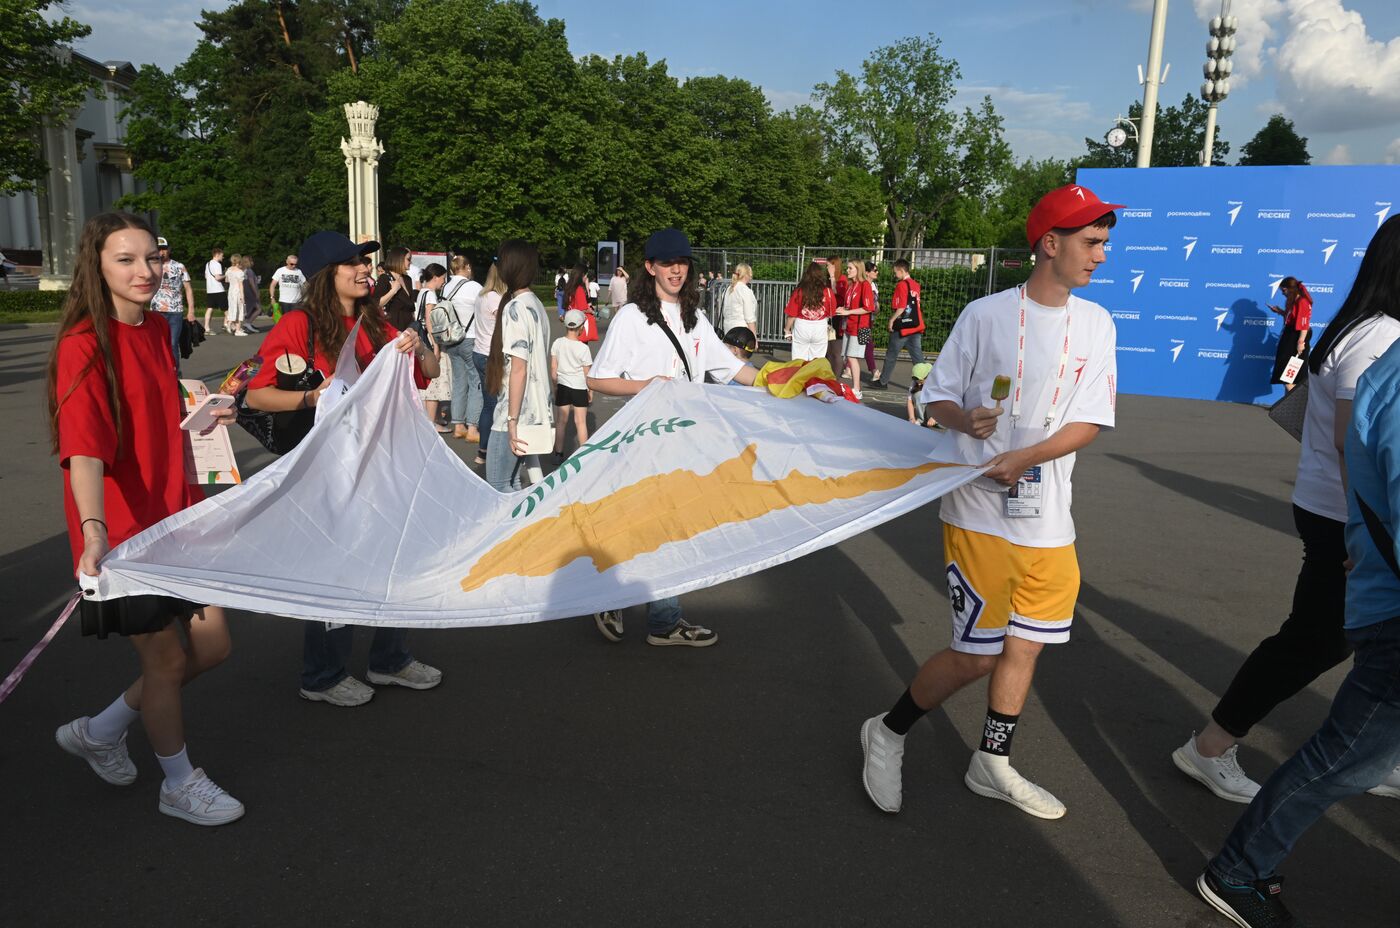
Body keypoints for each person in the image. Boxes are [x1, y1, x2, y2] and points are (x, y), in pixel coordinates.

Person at [858, 183, 1120, 819]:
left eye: (1104, 244)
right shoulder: (985, 315)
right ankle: (886, 733)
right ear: (1049, 244)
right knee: (977, 653)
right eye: (1091, 243)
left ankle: (991, 760)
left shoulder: (1097, 322)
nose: (1100, 256)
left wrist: (1026, 459)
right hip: (978, 513)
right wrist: (964, 418)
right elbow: (940, 396)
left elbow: (1090, 420)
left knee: (1025, 647)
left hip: (1050, 520)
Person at [1173, 215, 1400, 806]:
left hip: (1346, 517)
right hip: (1349, 521)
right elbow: (1357, 445)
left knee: (1357, 641)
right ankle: (1209, 747)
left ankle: (1372, 753)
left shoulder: (1366, 327)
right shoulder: (1378, 336)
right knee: (1317, 642)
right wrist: (1364, 538)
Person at [1195, 339, 1400, 928]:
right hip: (1385, 602)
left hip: (1370, 578)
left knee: (1346, 745)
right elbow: (1349, 451)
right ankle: (1236, 866)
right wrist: (1362, 541)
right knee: (1342, 752)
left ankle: (1236, 854)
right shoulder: (1377, 353)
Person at [49, 212, 243, 826]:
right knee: (164, 661)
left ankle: (101, 730)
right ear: (97, 265)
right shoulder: (84, 342)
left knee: (210, 648)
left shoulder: (159, 328)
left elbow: (161, 411)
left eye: (152, 258)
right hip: (123, 532)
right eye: (125, 260)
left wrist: (209, 415)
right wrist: (94, 531)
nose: (145, 271)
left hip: (178, 516)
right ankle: (179, 783)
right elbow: (82, 450)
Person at [243, 230, 442, 707]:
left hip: (384, 464)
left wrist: (418, 344)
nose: (364, 269)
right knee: (336, 567)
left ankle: (389, 659)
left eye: (364, 261)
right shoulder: (298, 325)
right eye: (351, 263)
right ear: (324, 276)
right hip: (329, 469)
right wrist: (314, 395)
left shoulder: (378, 323)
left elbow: (430, 374)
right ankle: (323, 674)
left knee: (394, 556)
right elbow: (254, 392)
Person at [586, 227, 760, 647]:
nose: (676, 269)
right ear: (650, 267)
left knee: (667, 527)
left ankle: (658, 617)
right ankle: (611, 595)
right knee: (643, 521)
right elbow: (598, 378)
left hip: (683, 443)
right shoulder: (631, 317)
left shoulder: (694, 317)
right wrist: (648, 385)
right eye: (667, 263)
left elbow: (733, 370)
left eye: (681, 262)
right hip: (642, 440)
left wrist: (786, 382)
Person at [484, 240, 552, 492]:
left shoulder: (515, 307)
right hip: (534, 408)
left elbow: (519, 368)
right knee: (512, 483)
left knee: (498, 485)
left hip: (514, 413)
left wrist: (511, 421)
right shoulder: (535, 304)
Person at [442, 255, 483, 444]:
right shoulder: (474, 287)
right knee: (476, 382)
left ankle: (458, 424)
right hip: (470, 337)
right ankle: (473, 427)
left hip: (451, 339)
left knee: (459, 381)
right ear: (466, 267)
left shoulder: (446, 287)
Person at [472, 263, 506, 467]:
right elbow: (504, 324)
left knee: (488, 404)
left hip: (479, 350)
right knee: (496, 405)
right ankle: (490, 451)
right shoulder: (496, 298)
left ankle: (483, 451)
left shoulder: (482, 295)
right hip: (491, 355)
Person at [875, 259, 926, 388]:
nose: (894, 275)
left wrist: (892, 320)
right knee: (918, 358)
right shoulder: (915, 284)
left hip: (903, 326)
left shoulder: (901, 285)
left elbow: (902, 306)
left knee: (891, 355)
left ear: (901, 270)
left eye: (895, 272)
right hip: (915, 324)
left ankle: (883, 382)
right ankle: (925, 383)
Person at [550, 309, 593, 457]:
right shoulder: (583, 348)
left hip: (562, 385)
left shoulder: (557, 343)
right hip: (580, 387)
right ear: (581, 327)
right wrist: (590, 390)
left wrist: (555, 387)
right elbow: (587, 373)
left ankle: (558, 453)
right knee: (580, 422)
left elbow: (553, 370)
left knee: (561, 422)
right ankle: (584, 455)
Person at [415, 263, 452, 433]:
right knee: (435, 381)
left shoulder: (421, 292)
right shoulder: (430, 295)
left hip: (420, 341)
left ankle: (426, 420)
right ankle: (431, 422)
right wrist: (436, 345)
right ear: (436, 277)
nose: (443, 282)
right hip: (430, 341)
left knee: (425, 381)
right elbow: (430, 321)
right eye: (443, 278)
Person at [151, 237, 195, 374]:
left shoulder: (179, 266)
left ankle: (174, 373)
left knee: (173, 344)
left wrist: (191, 311)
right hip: (156, 311)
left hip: (175, 310)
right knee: (156, 344)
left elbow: (188, 288)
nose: (161, 252)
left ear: (169, 250)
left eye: (164, 249)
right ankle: (159, 372)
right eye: (158, 249)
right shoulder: (150, 266)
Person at [835, 259, 874, 399]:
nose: (848, 270)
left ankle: (857, 389)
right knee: (847, 357)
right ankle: (855, 387)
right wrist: (844, 309)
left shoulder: (865, 286)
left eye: (850, 268)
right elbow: (851, 307)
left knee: (852, 357)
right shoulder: (852, 286)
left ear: (858, 269)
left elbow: (868, 308)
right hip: (849, 326)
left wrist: (848, 312)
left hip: (859, 327)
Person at [783, 262, 837, 363]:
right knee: (817, 361)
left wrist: (787, 330)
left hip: (802, 326)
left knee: (798, 360)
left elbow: (792, 315)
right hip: (820, 326)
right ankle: (814, 378)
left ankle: (799, 377)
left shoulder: (799, 291)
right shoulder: (828, 291)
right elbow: (831, 313)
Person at [1269, 276, 1312, 391]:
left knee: (1289, 377)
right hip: (1290, 335)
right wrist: (1280, 312)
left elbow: (1304, 324)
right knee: (1287, 376)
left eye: (1284, 290)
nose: (1282, 293)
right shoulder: (1293, 301)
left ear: (1291, 289)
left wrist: (1301, 342)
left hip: (1296, 337)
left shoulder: (1302, 301)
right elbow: (1292, 318)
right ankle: (1288, 404)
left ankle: (1294, 405)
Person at [375, 246, 417, 332]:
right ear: (399, 259)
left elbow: (410, 305)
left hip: (409, 327)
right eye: (408, 259)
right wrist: (393, 291)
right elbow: (376, 303)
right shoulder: (385, 278)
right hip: (393, 328)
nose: (410, 262)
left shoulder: (407, 279)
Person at [721, 263, 758, 337]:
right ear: (747, 274)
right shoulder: (745, 290)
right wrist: (754, 337)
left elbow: (724, 311)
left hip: (727, 329)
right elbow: (749, 317)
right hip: (742, 331)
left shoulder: (727, 289)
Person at [566, 264, 598, 344]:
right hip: (579, 324)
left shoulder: (569, 287)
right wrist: (592, 312)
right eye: (586, 276)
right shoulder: (579, 289)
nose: (586, 278)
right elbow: (583, 309)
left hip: (570, 321)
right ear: (582, 275)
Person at [269, 254, 305, 322]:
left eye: (295, 264)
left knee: (295, 321)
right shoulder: (280, 271)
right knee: (285, 321)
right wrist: (272, 298)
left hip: (297, 301)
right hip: (284, 301)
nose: (294, 266)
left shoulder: (299, 271)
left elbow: (305, 284)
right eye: (292, 264)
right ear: (287, 262)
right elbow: (272, 285)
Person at [202, 247, 225, 335]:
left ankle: (206, 327)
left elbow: (206, 276)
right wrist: (225, 275)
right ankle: (229, 325)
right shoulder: (217, 264)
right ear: (217, 255)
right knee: (226, 309)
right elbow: (218, 277)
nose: (223, 257)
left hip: (210, 289)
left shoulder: (207, 264)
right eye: (222, 255)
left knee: (210, 308)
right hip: (218, 289)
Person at [864, 260, 880, 376]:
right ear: (867, 273)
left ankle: (848, 367)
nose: (877, 272)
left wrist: (877, 307)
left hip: (871, 319)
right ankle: (873, 370)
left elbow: (876, 303)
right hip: (863, 319)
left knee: (866, 343)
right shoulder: (863, 285)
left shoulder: (874, 286)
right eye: (874, 270)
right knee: (867, 344)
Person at [224, 254, 247, 336]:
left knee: (232, 308)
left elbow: (226, 280)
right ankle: (237, 330)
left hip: (231, 291)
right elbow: (241, 285)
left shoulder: (229, 270)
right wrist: (243, 296)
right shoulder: (240, 272)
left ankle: (229, 323)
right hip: (237, 292)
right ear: (239, 261)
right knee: (240, 309)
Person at [907, 361, 933, 425]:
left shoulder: (937, 382)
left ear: (928, 376)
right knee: (918, 394)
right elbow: (909, 401)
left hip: (944, 413)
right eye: (917, 381)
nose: (918, 384)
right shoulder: (914, 382)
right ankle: (921, 420)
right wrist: (912, 418)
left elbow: (943, 402)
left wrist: (934, 418)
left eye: (921, 381)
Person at [239, 255, 261, 331]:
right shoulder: (250, 271)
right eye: (251, 261)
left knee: (249, 309)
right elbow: (252, 283)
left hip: (246, 293)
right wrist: (256, 293)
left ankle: (248, 324)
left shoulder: (242, 271)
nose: (253, 262)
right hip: (251, 294)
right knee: (259, 309)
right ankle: (248, 323)